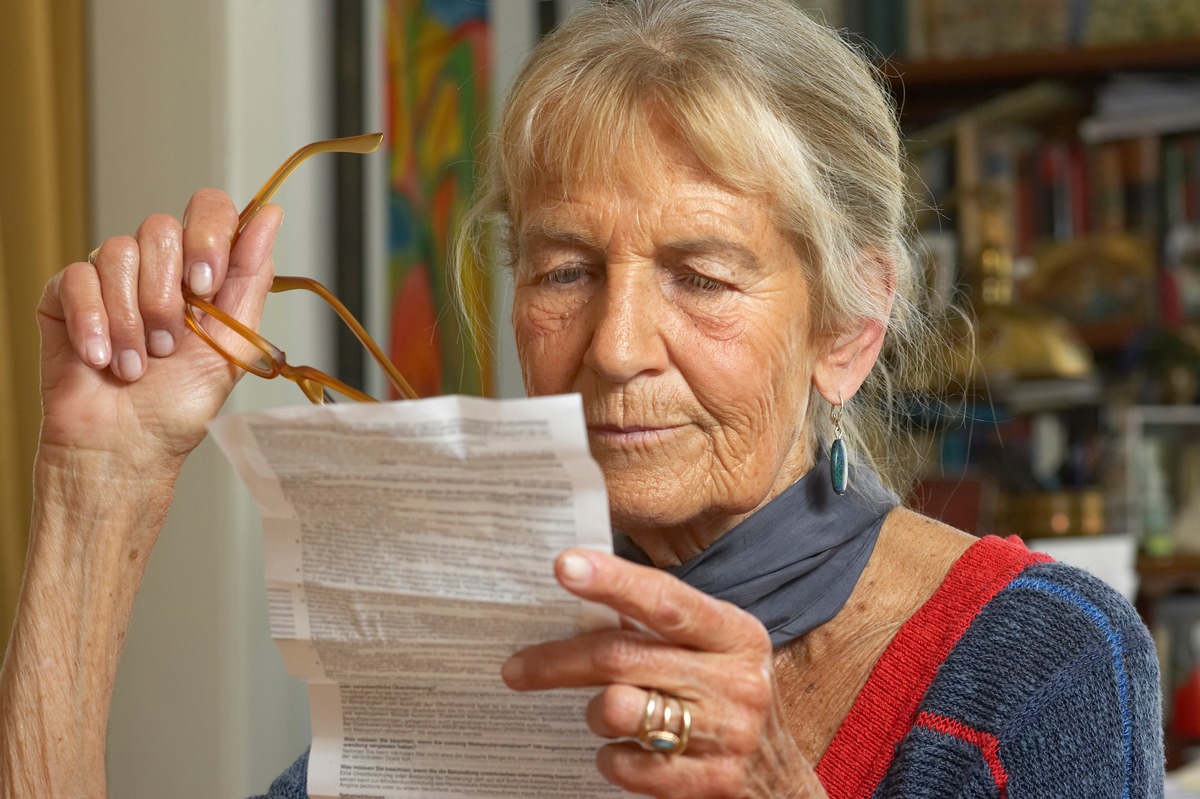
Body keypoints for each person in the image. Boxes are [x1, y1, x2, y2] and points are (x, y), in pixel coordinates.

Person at [0, 0, 1165, 796]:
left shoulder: (1042, 662)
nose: (612, 348)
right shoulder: (481, 651)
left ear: (850, 330)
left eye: (702, 276)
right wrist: (96, 487)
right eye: (564, 270)